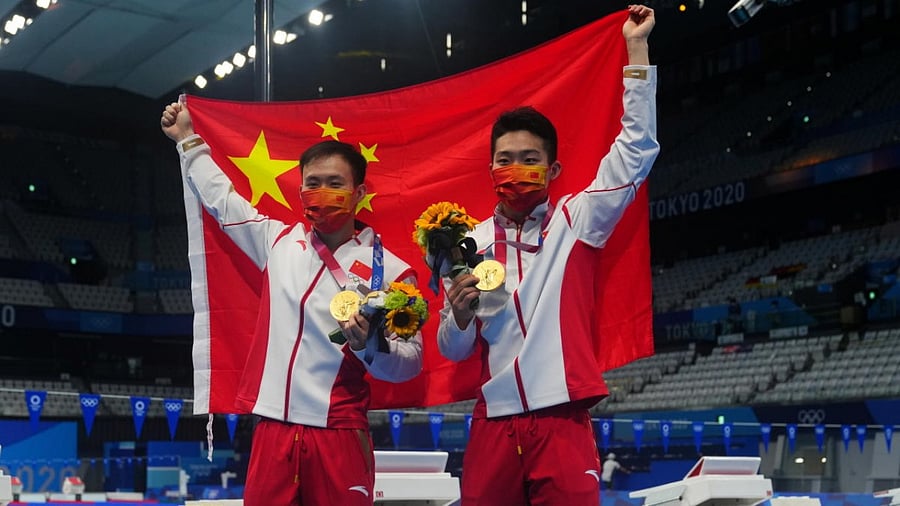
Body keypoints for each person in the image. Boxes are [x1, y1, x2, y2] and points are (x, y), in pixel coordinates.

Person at [437, 5, 658, 505]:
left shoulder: (578, 221)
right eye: (504, 159)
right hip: (493, 421)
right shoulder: (464, 243)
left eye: (530, 160)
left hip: (562, 418)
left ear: (553, 168)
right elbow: (451, 350)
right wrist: (459, 312)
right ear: (489, 168)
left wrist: (637, 51)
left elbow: (637, 151)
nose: (516, 168)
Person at [160, 102, 423, 506]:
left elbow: (410, 365)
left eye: (334, 183)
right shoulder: (279, 243)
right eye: (312, 184)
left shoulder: (392, 274)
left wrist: (370, 346)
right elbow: (223, 201)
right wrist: (189, 141)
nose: (322, 194)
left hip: (339, 432)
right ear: (300, 191)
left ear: (359, 193)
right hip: (274, 432)